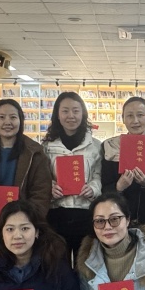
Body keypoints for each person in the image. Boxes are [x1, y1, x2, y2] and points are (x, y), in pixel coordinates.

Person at [0, 98, 52, 244]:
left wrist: (29, 220)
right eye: (1, 117)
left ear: (21, 121)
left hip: (21, 229)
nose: (7, 122)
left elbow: (41, 191)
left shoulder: (35, 153)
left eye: (13, 117)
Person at [41, 91, 102, 265]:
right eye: (65, 111)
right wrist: (51, 187)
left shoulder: (95, 146)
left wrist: (93, 188)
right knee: (58, 266)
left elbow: (99, 174)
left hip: (86, 214)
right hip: (57, 214)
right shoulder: (46, 147)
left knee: (86, 266)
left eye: (76, 111)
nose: (71, 116)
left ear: (83, 114)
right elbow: (41, 177)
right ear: (57, 115)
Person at [100, 96, 145, 229]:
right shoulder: (111, 148)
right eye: (129, 116)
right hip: (120, 219)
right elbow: (104, 185)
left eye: (140, 115)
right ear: (123, 119)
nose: (135, 121)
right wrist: (118, 187)